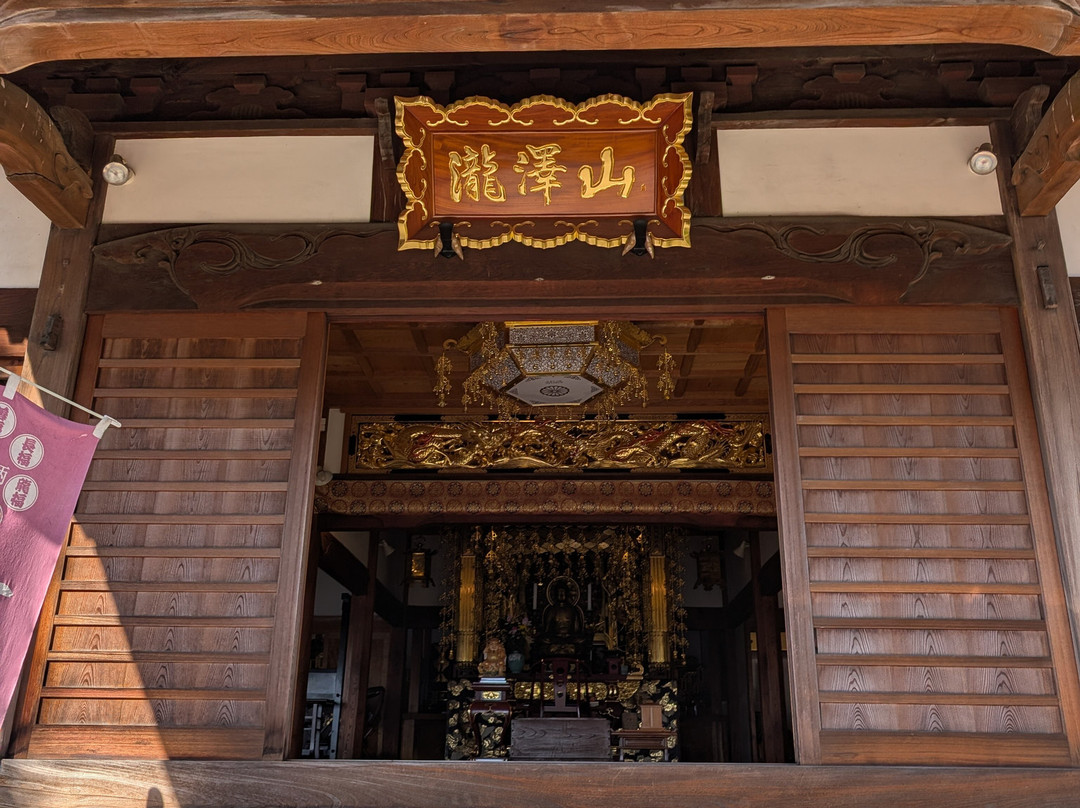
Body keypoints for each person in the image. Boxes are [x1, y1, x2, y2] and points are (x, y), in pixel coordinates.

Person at [539, 579, 587, 657]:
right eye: (559, 593)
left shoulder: (573, 610)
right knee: (546, 643)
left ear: (567, 594)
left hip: (569, 639)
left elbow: (577, 629)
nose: (561, 595)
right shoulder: (552, 610)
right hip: (555, 639)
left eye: (563, 592)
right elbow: (547, 630)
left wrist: (572, 636)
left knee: (579, 643)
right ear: (555, 594)